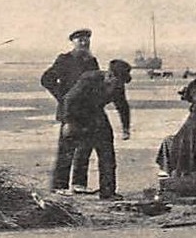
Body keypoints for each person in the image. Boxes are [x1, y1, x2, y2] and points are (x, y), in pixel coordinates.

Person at [52, 59, 132, 199]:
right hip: (76, 114)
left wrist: (125, 128)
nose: (118, 86)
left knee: (107, 153)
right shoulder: (89, 78)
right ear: (109, 75)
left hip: (97, 115)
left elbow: (122, 106)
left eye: (121, 83)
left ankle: (107, 192)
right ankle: (59, 186)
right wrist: (68, 123)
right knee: (68, 151)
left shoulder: (119, 86)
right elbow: (69, 99)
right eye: (117, 81)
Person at [42, 29, 101, 189]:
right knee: (66, 149)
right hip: (70, 112)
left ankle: (79, 184)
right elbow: (47, 79)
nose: (84, 43)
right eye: (80, 40)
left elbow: (96, 84)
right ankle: (59, 186)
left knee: (85, 148)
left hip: (88, 111)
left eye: (87, 40)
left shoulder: (91, 61)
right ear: (73, 42)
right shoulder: (65, 59)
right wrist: (62, 96)